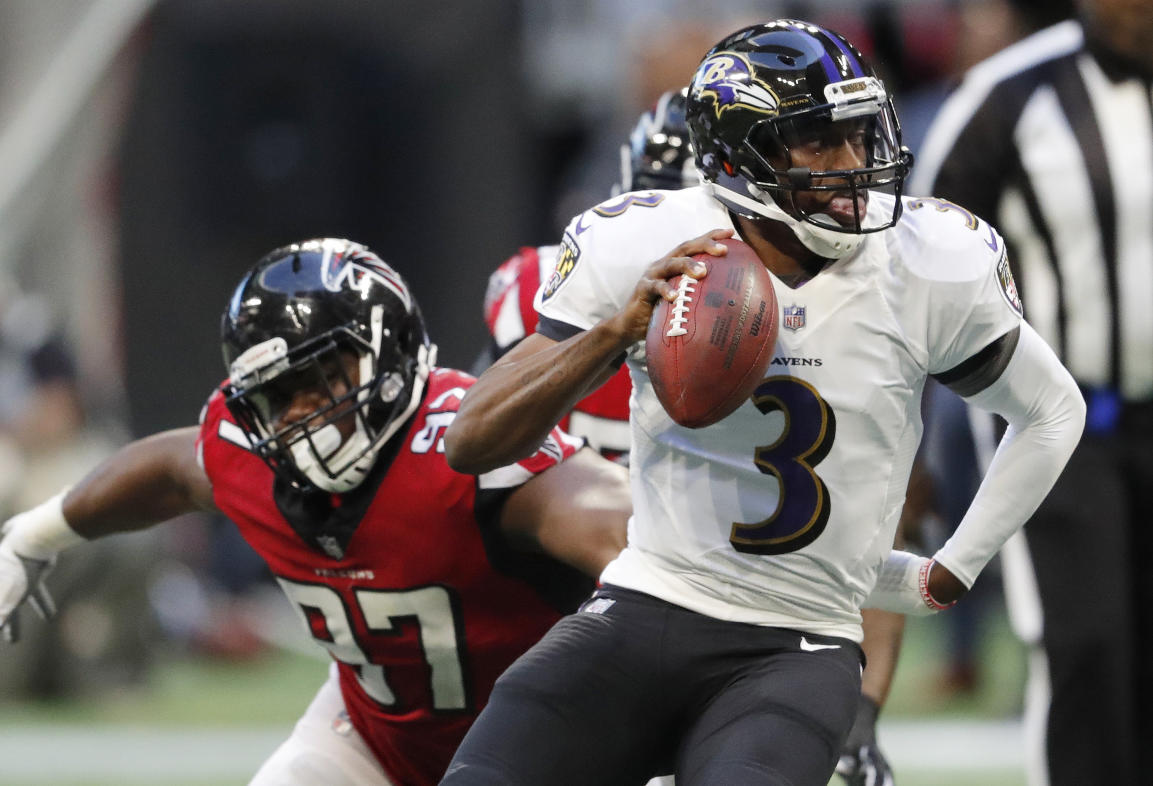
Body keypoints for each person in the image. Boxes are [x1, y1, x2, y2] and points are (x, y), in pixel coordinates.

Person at [443, 18, 1084, 786]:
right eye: (816, 141)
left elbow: (1049, 411)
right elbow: (470, 440)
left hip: (798, 641)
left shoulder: (927, 264)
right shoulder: (651, 242)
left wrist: (952, 568)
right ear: (733, 158)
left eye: (857, 134)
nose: (851, 164)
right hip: (648, 601)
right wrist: (615, 332)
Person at [0, 238, 632, 786]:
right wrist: (36, 532)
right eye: (275, 394)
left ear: (389, 351)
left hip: (543, 753)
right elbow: (168, 471)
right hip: (371, 740)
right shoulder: (249, 453)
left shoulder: (465, 447)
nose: (296, 414)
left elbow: (629, 540)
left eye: (319, 380)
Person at [480, 87, 902, 786]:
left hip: (747, 635)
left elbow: (878, 522)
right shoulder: (547, 289)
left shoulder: (834, 310)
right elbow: (472, 459)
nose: (698, 258)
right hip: (583, 621)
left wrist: (860, 715)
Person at [911, 1, 1153, 782]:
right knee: (1085, 641)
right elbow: (913, 269)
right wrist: (900, 439)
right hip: (1058, 424)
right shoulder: (1006, 96)